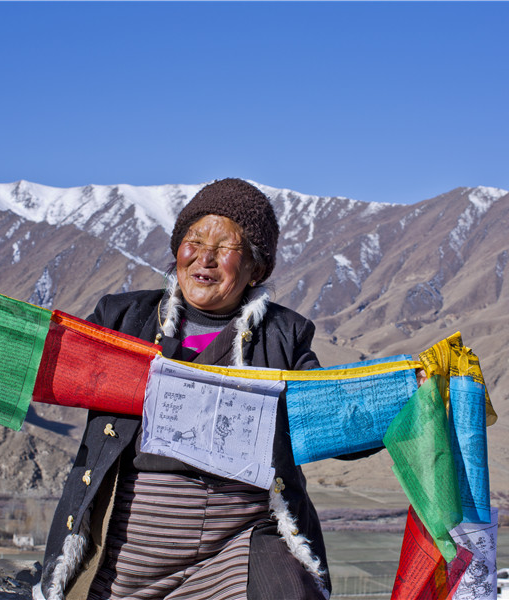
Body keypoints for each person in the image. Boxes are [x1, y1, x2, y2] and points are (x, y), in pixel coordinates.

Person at [34, 178, 347, 600]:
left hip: (242, 540)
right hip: (132, 545)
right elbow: (40, 357)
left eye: (225, 249)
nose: (205, 259)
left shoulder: (283, 334)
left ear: (256, 267)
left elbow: (333, 416)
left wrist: (415, 391)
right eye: (194, 241)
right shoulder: (124, 318)